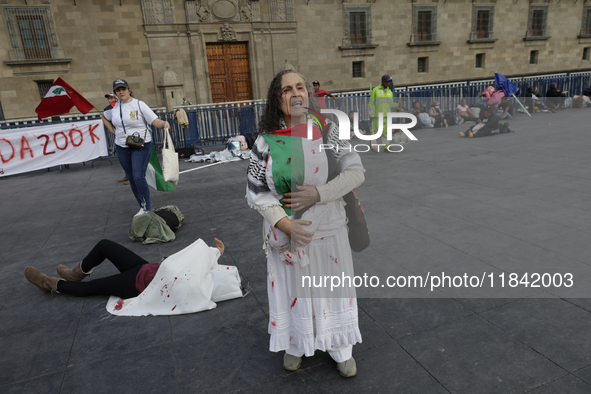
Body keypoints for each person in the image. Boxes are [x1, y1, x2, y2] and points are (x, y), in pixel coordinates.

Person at [246, 70, 364, 378]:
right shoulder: (265, 141)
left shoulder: (327, 129)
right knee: (293, 290)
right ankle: (296, 343)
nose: (296, 93)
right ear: (277, 98)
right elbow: (255, 191)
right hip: (285, 236)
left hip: (328, 232)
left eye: (300, 86)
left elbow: (355, 171)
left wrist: (319, 192)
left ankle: (340, 347)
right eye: (287, 89)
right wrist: (286, 225)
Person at [24, 238, 224, 298]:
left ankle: (49, 283)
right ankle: (75, 274)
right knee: (104, 245)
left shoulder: (198, 286)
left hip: (137, 284)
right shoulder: (202, 269)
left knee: (92, 288)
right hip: (144, 268)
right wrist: (215, 254)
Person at [102, 79, 170, 217]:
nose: (121, 92)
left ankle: (147, 208)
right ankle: (142, 206)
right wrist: (112, 131)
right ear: (115, 93)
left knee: (139, 176)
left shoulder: (139, 104)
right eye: (118, 90)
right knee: (131, 177)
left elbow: (155, 121)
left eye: (123, 89)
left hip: (141, 145)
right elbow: (104, 117)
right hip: (121, 146)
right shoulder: (114, 107)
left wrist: (164, 124)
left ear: (129, 90)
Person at [104, 92, 130, 185]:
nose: (110, 100)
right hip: (120, 137)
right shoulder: (110, 108)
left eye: (111, 98)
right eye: (109, 99)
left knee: (130, 158)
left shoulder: (121, 105)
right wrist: (112, 130)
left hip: (129, 136)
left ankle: (132, 177)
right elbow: (104, 117)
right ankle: (128, 175)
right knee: (124, 159)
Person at [369, 74, 395, 152]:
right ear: (383, 82)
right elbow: (371, 103)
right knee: (377, 131)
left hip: (387, 115)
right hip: (378, 115)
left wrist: (397, 105)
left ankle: (386, 146)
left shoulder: (390, 92)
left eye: (389, 82)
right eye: (387, 82)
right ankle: (372, 142)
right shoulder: (375, 90)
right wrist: (372, 115)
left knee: (386, 132)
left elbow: (391, 104)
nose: (388, 83)